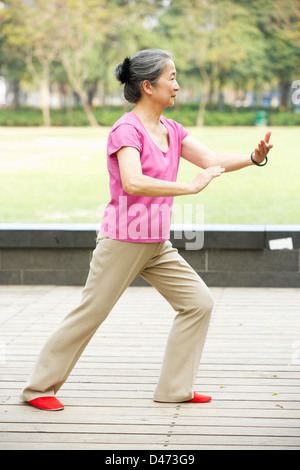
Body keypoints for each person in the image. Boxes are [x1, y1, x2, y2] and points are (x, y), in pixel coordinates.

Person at [21, 49, 273, 411]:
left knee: (197, 303)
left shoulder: (172, 129)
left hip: (156, 243)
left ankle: (175, 388)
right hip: (122, 240)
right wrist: (190, 187)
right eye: (171, 77)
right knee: (90, 313)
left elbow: (213, 161)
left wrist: (253, 158)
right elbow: (134, 182)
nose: (177, 85)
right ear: (147, 86)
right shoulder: (126, 129)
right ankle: (37, 389)